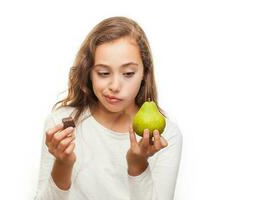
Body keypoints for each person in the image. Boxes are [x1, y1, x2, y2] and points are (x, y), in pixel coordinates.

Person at [34, 16, 182, 200]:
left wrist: (138, 166)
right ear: (89, 72)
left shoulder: (165, 135)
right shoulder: (60, 124)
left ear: (145, 73)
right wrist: (63, 164)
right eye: (103, 73)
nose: (115, 85)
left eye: (128, 73)